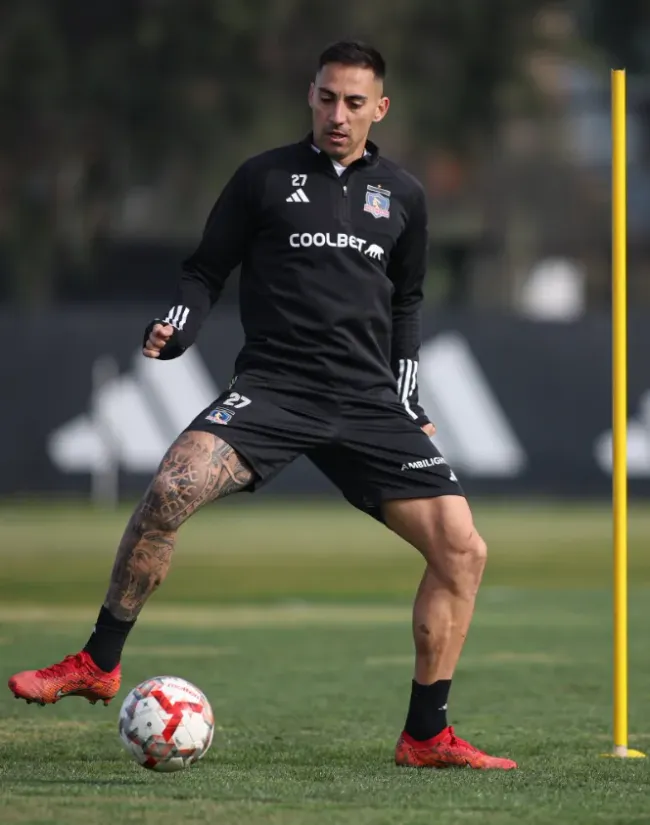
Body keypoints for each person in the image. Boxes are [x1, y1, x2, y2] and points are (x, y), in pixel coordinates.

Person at [9, 40, 516, 771]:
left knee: (463, 551)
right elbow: (204, 271)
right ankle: (98, 660)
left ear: (381, 107)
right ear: (309, 96)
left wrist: (407, 393)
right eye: (325, 97)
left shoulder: (403, 194)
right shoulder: (263, 178)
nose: (337, 114)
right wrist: (177, 327)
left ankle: (426, 734)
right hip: (276, 387)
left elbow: (407, 301)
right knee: (170, 487)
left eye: (353, 102)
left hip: (368, 396)